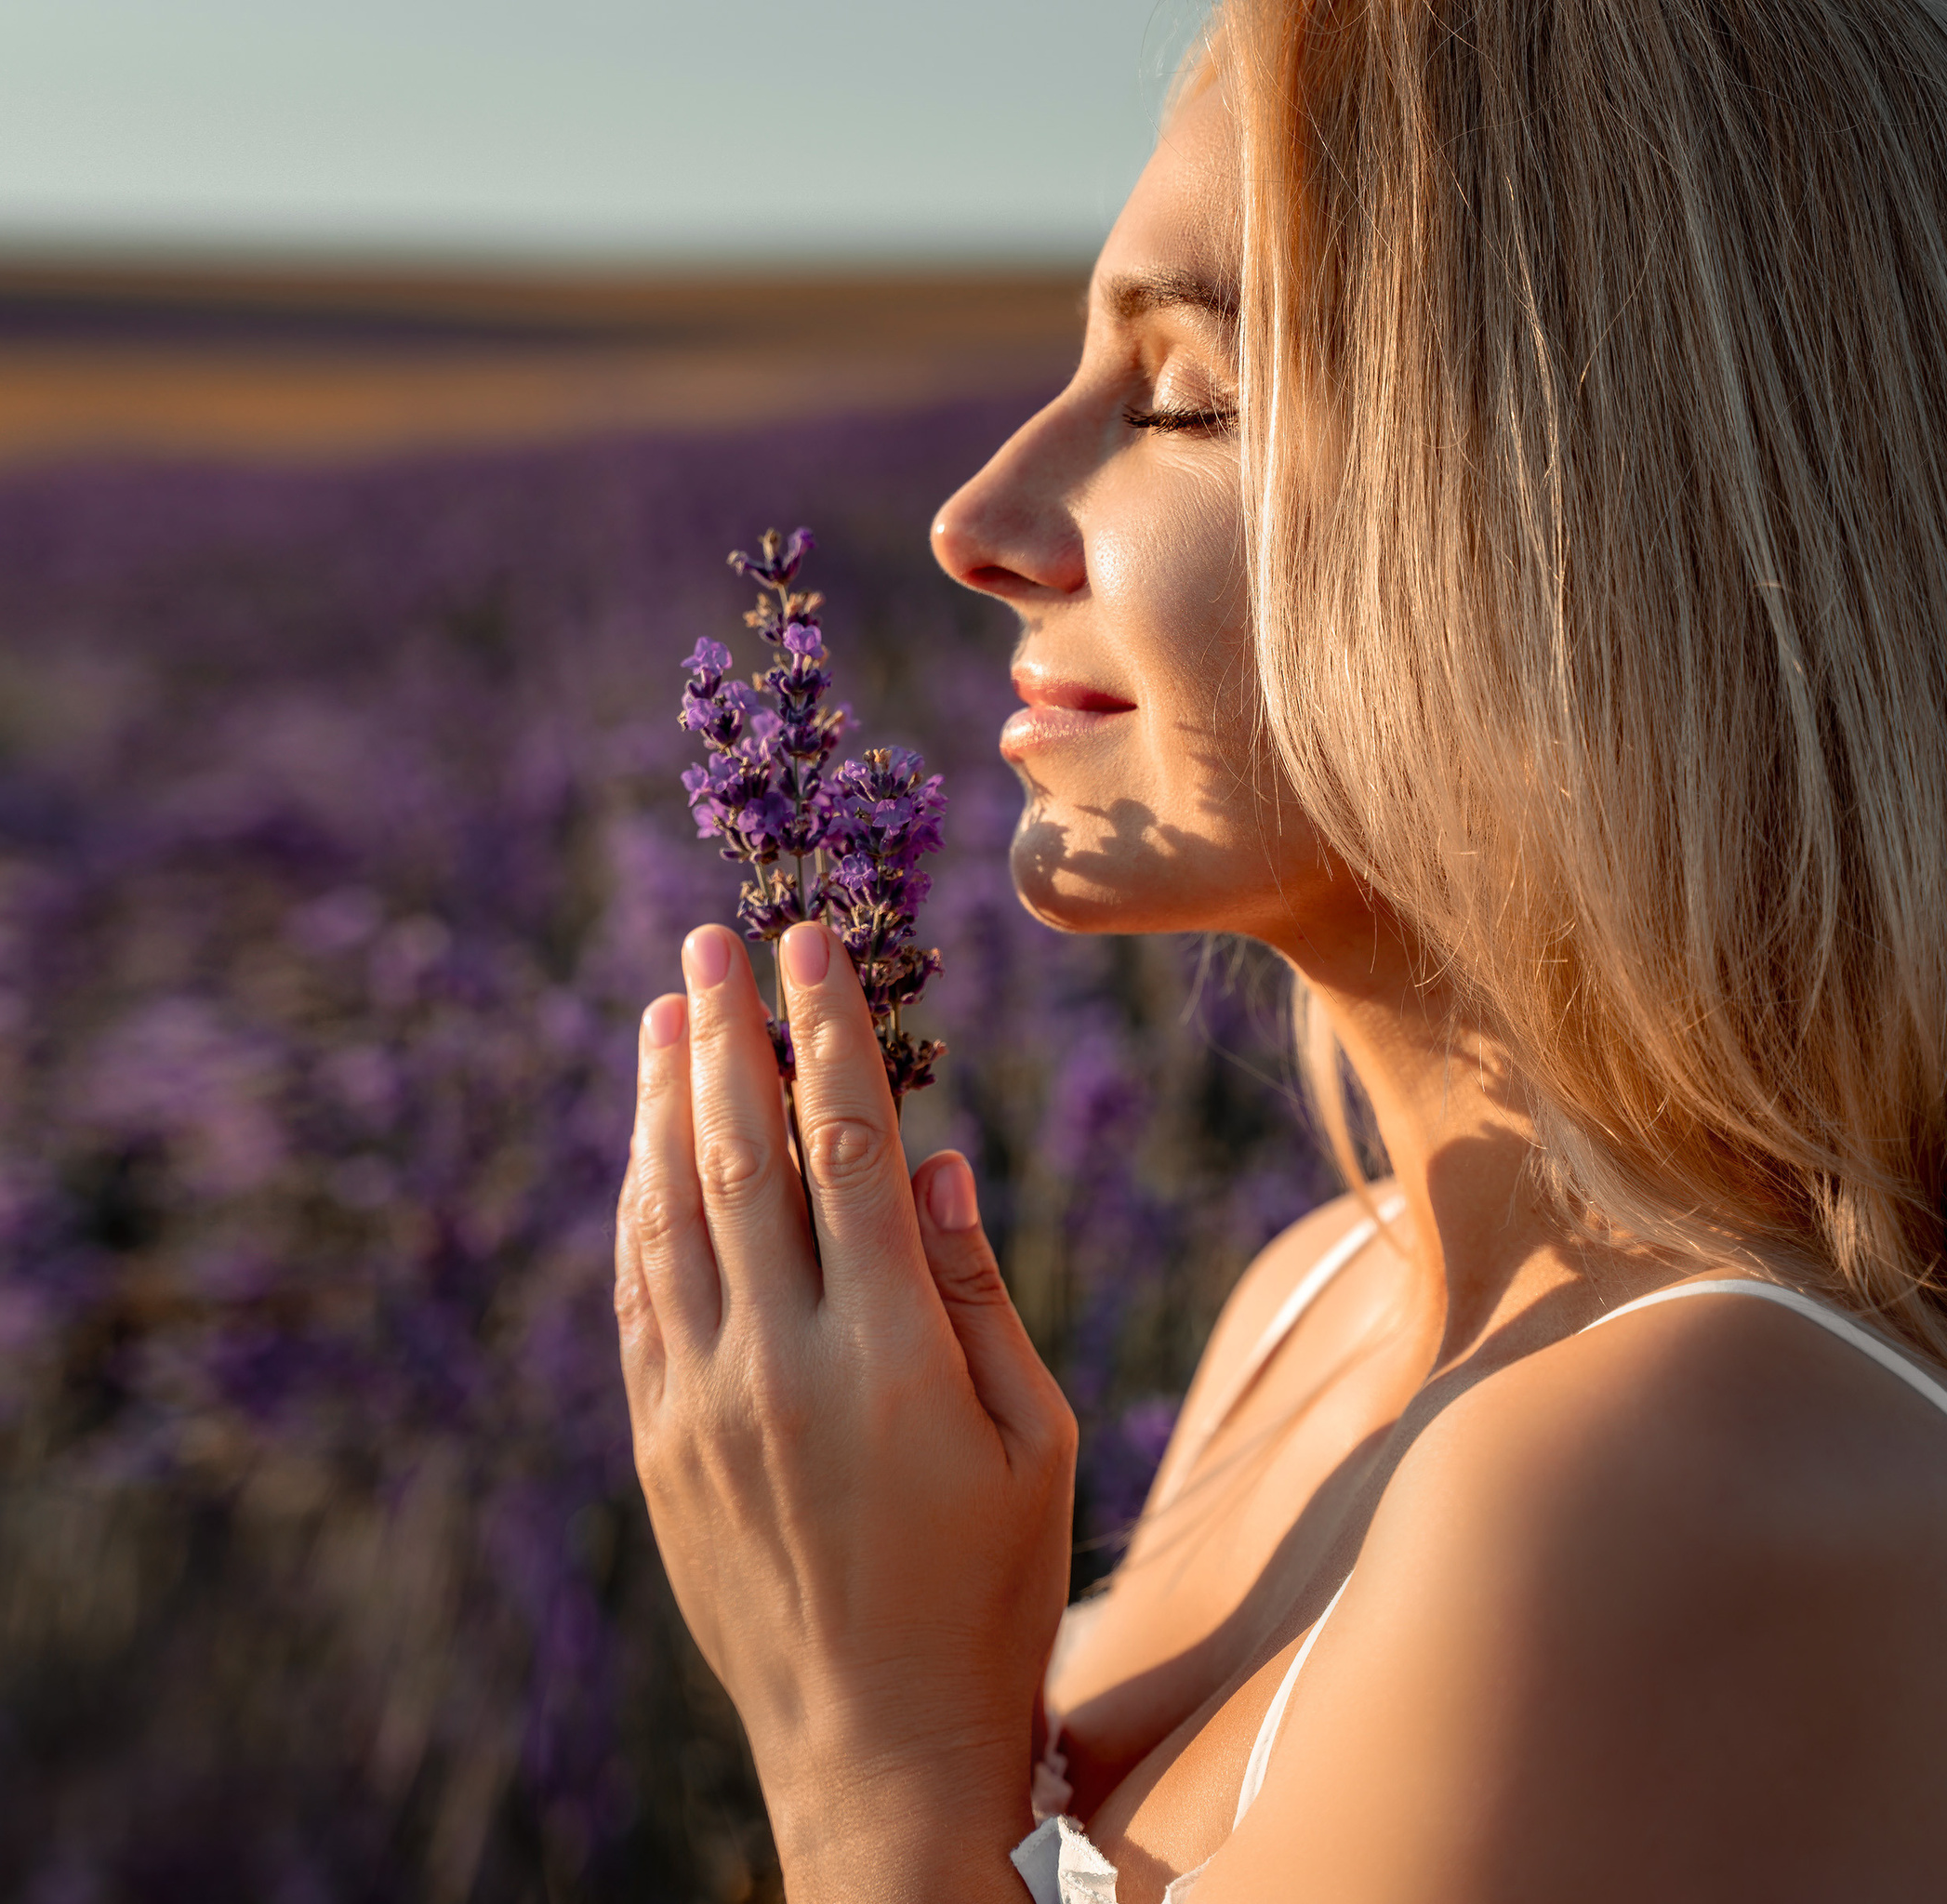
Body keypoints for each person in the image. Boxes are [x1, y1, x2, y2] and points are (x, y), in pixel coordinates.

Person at [610, 1, 1947, 1896]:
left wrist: (870, 1766)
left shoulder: (1662, 1476)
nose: (977, 519)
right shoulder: (1313, 1305)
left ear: (1570, 517)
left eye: (1180, 400)